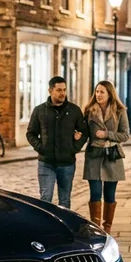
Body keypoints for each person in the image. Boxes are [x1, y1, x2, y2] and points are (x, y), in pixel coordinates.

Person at [26, 76, 87, 209]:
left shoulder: (74, 111)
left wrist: (73, 148)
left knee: (65, 201)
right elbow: (30, 133)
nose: (62, 93)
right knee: (45, 199)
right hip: (46, 163)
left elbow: (84, 132)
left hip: (67, 163)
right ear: (50, 91)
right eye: (59, 90)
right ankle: (45, 228)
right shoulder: (39, 111)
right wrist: (41, 148)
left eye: (64, 90)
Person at [83, 81, 130, 232]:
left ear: (110, 93)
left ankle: (107, 228)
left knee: (110, 195)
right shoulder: (89, 111)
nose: (98, 95)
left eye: (102, 92)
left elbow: (125, 135)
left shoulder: (120, 111)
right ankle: (97, 229)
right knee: (95, 193)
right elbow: (84, 132)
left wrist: (107, 134)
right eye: (97, 91)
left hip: (112, 157)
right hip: (94, 156)